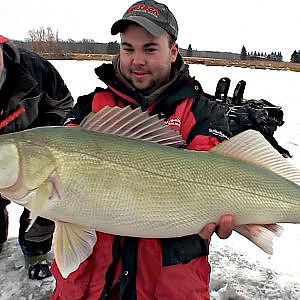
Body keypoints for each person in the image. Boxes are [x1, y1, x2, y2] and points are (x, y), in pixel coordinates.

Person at [51, 1, 234, 299]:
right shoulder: (90, 109)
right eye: (128, 48)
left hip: (168, 287)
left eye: (149, 49)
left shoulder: (204, 113)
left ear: (173, 51)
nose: (137, 59)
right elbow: (63, 163)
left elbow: (210, 172)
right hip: (90, 287)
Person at [0, 35, 74, 279]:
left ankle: (36, 252)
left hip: (39, 153)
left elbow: (64, 105)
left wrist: (42, 136)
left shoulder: (36, 70)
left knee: (47, 203)